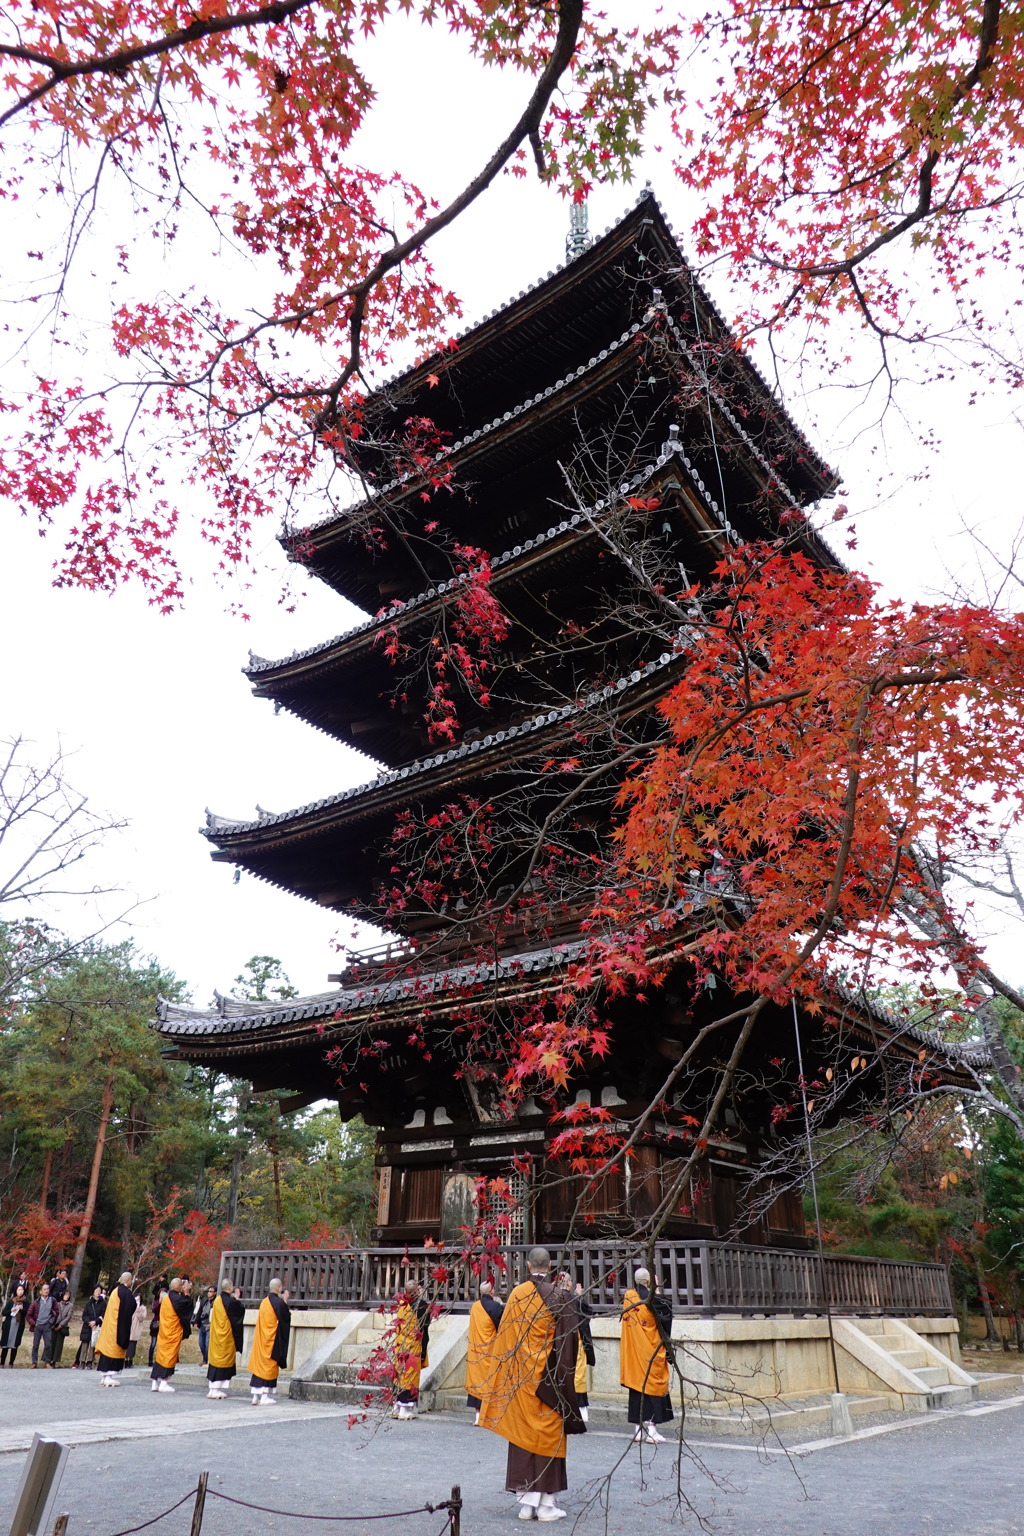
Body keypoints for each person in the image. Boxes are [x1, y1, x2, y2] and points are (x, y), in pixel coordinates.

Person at [479, 1247, 584, 1523]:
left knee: (524, 1437)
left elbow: (506, 1340)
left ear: (528, 1266)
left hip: (523, 1381)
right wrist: (566, 1379)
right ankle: (547, 1505)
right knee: (549, 1437)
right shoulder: (560, 1296)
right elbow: (568, 1343)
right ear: (549, 1266)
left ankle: (527, 1505)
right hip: (549, 1381)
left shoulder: (517, 1295)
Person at [619, 1267, 674, 1445]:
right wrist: (656, 1291)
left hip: (634, 1353)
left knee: (636, 1389)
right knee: (653, 1389)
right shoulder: (654, 1300)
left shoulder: (629, 1297)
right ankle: (651, 1431)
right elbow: (666, 1312)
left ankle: (638, 1431)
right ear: (649, 1282)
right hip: (651, 1351)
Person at [247, 1277, 290, 1406]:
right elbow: (285, 1318)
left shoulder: (264, 1302)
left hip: (261, 1341)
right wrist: (286, 1301)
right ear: (279, 1288)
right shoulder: (278, 1303)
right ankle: (265, 1396)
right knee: (268, 1367)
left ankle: (255, 1396)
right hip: (271, 1342)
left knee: (259, 1367)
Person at [392, 1280, 431, 1421]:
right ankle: (404, 1409)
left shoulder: (402, 1304)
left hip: (401, 1346)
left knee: (400, 1374)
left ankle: (395, 1407)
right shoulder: (420, 1305)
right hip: (413, 1347)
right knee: (410, 1376)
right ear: (416, 1292)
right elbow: (426, 1323)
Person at [466, 1280, 504, 1424]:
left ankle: (477, 1416)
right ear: (492, 1291)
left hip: (476, 1350)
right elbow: (502, 1327)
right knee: (490, 1380)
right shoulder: (495, 1307)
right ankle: (488, 1415)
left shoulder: (475, 1307)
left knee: (477, 1380)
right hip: (490, 1350)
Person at [95, 1271, 137, 1386]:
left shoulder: (115, 1291)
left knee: (107, 1350)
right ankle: (108, 1376)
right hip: (116, 1327)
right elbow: (131, 1305)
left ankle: (104, 1376)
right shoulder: (124, 1292)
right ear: (128, 1281)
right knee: (113, 1350)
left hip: (110, 1326)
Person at [150, 1278, 192, 1393]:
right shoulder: (177, 1299)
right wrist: (187, 1293)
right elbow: (186, 1306)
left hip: (163, 1331)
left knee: (160, 1357)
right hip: (172, 1332)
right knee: (169, 1357)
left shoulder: (166, 1297)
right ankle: (164, 1382)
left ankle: (154, 1382)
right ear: (179, 1287)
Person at [206, 1278, 245, 1399]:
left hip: (216, 1336)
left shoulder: (217, 1300)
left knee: (214, 1362)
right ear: (229, 1288)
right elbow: (239, 1310)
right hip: (225, 1338)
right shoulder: (229, 1301)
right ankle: (216, 1390)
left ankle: (212, 1389)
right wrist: (237, 1299)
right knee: (222, 1362)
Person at [75, 1286, 106, 1368]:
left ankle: (90, 1361)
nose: (98, 1292)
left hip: (97, 1326)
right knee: (85, 1343)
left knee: (93, 1343)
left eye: (99, 1291)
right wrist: (89, 1322)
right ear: (93, 1292)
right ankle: (82, 1361)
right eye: (96, 1290)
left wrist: (96, 1322)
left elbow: (103, 1315)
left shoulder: (103, 1303)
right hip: (87, 1326)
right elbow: (84, 1315)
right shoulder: (89, 1303)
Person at [27, 1283, 56, 1368]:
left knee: (48, 1344)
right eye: (44, 1289)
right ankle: (34, 1362)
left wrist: (51, 1322)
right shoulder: (36, 1302)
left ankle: (47, 1362)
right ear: (40, 1291)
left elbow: (56, 1312)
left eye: (47, 1289)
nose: (46, 1291)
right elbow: (28, 1315)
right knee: (36, 1345)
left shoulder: (52, 1300)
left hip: (47, 1325)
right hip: (38, 1326)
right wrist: (34, 1323)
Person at [1, 1287, 27, 1367]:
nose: (20, 1291)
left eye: (22, 1290)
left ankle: (11, 1363)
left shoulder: (26, 1302)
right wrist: (10, 1310)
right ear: (16, 1291)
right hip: (9, 1325)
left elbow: (28, 1313)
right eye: (19, 1290)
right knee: (5, 1344)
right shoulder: (11, 1301)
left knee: (14, 1345)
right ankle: (2, 1363)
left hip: (18, 1325)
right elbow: (4, 1312)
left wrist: (22, 1310)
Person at [192, 1285, 216, 1365]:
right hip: (202, 1323)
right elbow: (199, 1311)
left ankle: (205, 1360)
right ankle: (205, 1358)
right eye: (208, 1291)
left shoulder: (215, 1302)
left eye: (211, 1291)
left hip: (209, 1324)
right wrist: (196, 1322)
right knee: (201, 1343)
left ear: (215, 1293)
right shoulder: (205, 1300)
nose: (209, 1293)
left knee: (207, 1343)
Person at [125, 1292, 148, 1367]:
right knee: (126, 1344)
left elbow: (142, 1318)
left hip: (136, 1328)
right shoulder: (129, 1305)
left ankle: (130, 1360)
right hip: (128, 1326)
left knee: (132, 1345)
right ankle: (125, 1360)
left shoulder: (143, 1308)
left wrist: (138, 1309)